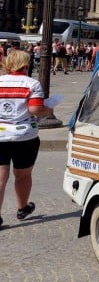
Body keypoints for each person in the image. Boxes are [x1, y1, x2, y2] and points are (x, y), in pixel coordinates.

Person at [0, 49, 47, 228]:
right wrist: (48, 110)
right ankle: (22, 208)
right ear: (26, 65)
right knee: (23, 175)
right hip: (24, 137)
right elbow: (35, 110)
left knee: (0, 178)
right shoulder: (32, 84)